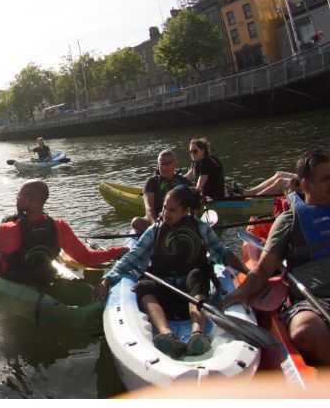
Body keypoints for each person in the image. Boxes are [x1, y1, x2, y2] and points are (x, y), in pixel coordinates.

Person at [98, 185, 247, 358]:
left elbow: (222, 253)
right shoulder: (154, 230)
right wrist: (107, 279)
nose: (165, 213)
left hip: (193, 294)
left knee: (198, 275)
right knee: (143, 287)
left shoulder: (200, 227)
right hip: (165, 292)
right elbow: (132, 257)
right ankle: (166, 334)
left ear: (185, 211)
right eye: (164, 208)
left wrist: (246, 272)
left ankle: (197, 333)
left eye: (172, 210)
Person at [222, 149, 330, 366]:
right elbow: (263, 270)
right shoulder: (289, 222)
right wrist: (238, 295)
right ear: (306, 184)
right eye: (327, 179)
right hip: (313, 300)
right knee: (305, 330)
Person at [0, 180, 125, 285]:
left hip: (12, 277)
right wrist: (118, 251)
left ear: (30, 200)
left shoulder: (9, 227)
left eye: (20, 195)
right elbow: (86, 258)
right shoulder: (59, 225)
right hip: (45, 276)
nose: (17, 198)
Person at [132, 150, 192, 234]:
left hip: (178, 219)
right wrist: (156, 225)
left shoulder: (184, 181)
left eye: (168, 163)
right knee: (136, 222)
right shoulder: (152, 182)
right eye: (162, 164)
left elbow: (193, 204)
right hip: (157, 220)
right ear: (158, 165)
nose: (164, 167)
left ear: (175, 163)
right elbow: (149, 208)